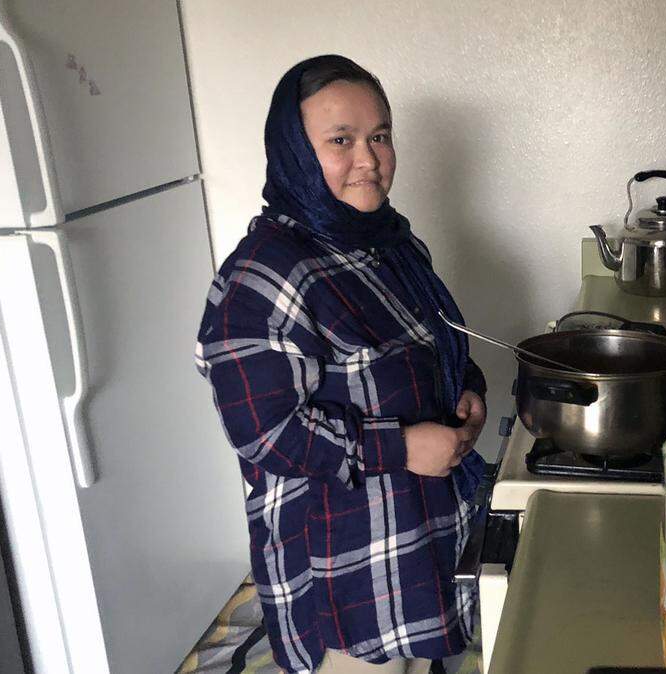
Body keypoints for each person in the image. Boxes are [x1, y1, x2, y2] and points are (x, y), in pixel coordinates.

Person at [196, 54, 487, 674]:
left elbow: (431, 343)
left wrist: (466, 389)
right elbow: (264, 433)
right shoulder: (264, 274)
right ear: (295, 151)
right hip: (345, 568)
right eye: (340, 140)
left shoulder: (391, 242)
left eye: (379, 136)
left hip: (421, 536)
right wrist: (400, 447)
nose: (369, 160)